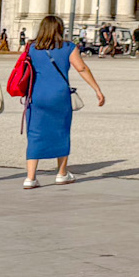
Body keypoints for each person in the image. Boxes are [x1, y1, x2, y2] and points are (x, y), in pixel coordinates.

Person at [22, 13, 104, 188]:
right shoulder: (68, 47)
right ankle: (61, 173)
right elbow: (81, 68)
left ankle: (30, 177)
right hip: (59, 95)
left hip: (36, 95)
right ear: (60, 29)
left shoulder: (31, 47)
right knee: (61, 131)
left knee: (35, 133)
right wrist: (97, 89)